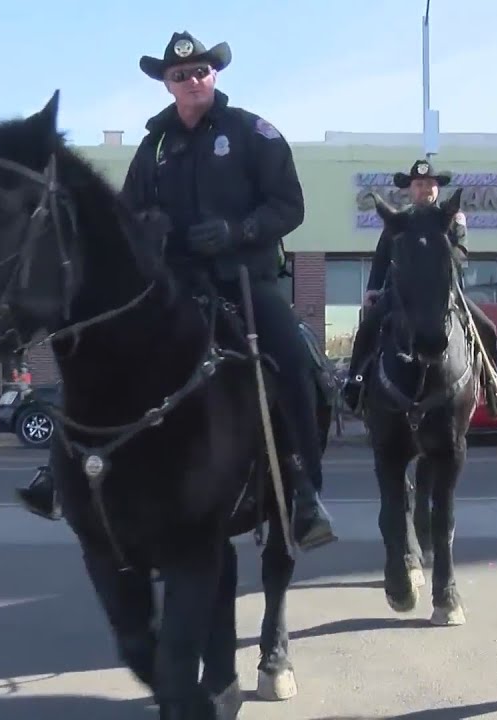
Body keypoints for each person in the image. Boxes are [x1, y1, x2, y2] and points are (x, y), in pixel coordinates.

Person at [118, 30, 334, 550]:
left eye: (200, 72)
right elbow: (126, 218)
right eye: (179, 76)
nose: (192, 80)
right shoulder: (154, 148)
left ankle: (304, 487)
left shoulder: (251, 133)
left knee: (295, 361)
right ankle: (74, 470)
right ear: (166, 85)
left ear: (213, 76)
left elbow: (290, 205)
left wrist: (240, 232)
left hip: (243, 282)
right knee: (108, 348)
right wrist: (150, 227)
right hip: (175, 287)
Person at [340, 159, 497, 418]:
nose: (425, 189)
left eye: (430, 184)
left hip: (446, 292)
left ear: (438, 189)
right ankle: (354, 381)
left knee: (487, 328)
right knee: (369, 325)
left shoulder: (451, 217)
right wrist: (372, 288)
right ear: (410, 189)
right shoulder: (400, 219)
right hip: (402, 293)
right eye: (420, 184)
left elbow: (461, 250)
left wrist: (438, 260)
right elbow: (381, 256)